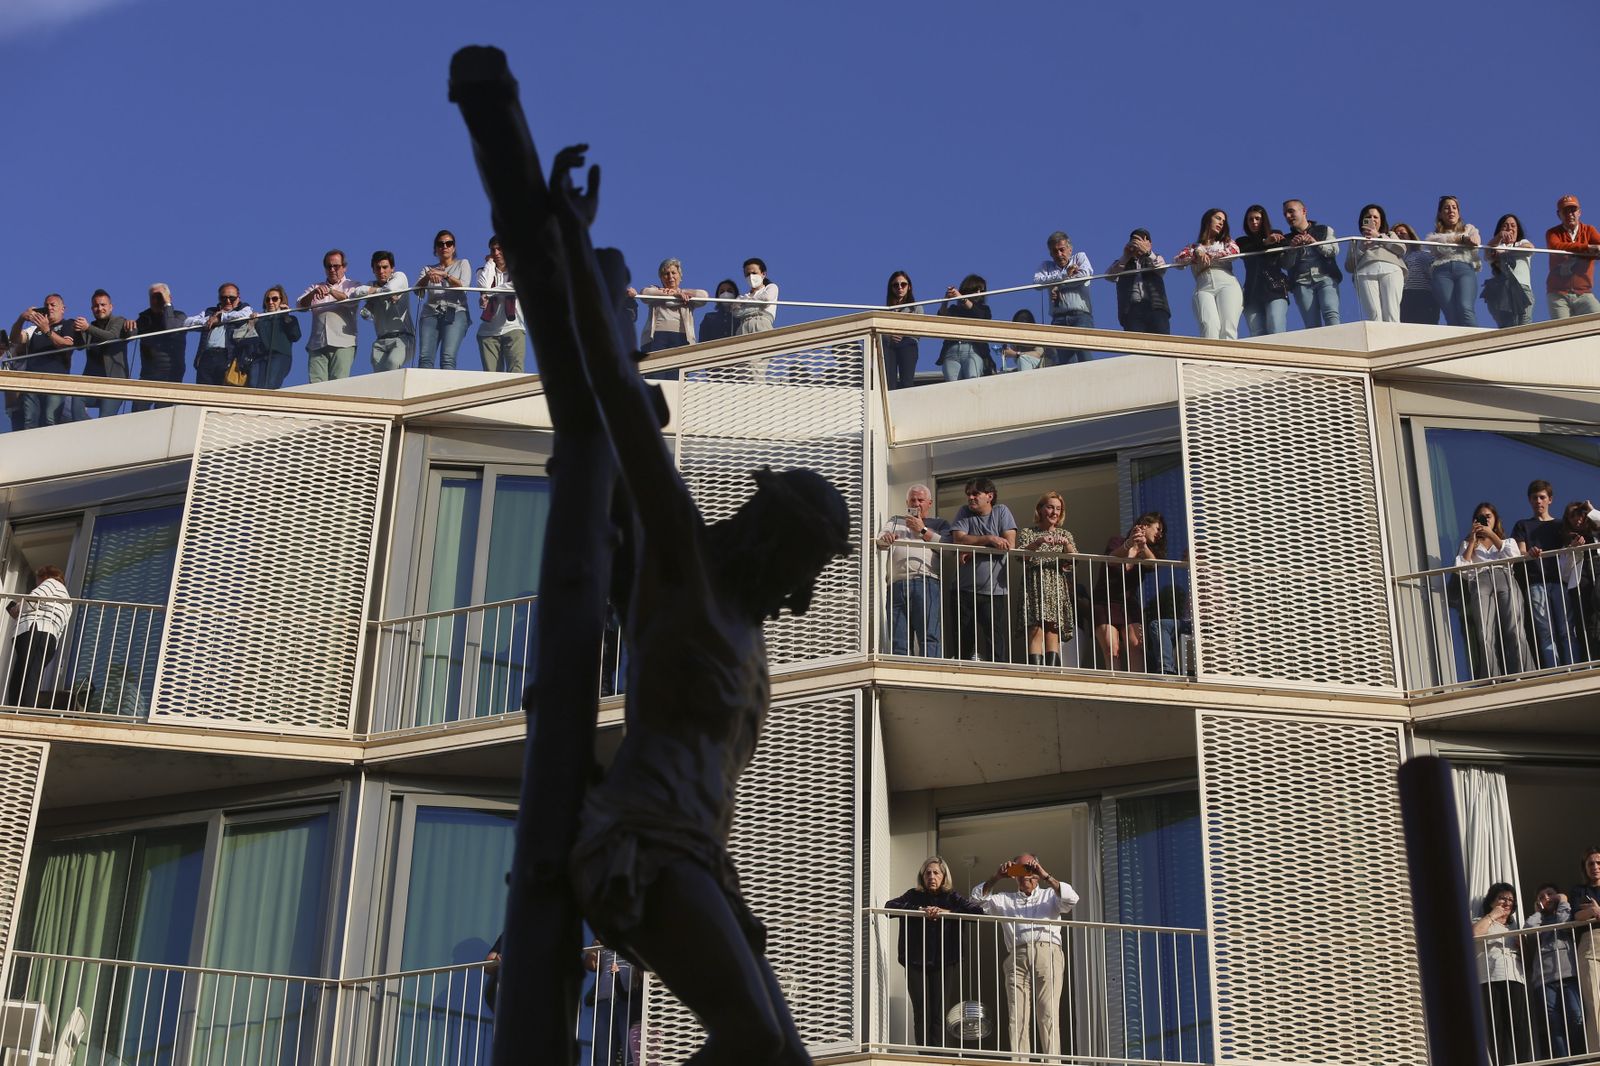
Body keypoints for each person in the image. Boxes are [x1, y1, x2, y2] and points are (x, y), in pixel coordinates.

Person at [970, 853, 1079, 1059]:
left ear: (1037, 872)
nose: (1025, 875)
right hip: (1017, 955)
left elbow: (1071, 899)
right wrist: (996, 877)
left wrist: (1045, 875)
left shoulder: (1050, 895)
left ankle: (1052, 1062)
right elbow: (975, 902)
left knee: (1048, 1011)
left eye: (1029, 869)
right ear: (1014, 875)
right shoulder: (1005, 899)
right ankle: (1020, 1062)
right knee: (1017, 1014)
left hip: (1047, 951)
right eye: (1020, 870)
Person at [884, 856, 984, 1049]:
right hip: (915, 959)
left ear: (944, 876)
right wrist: (921, 910)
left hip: (944, 959)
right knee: (920, 1010)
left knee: (939, 1011)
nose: (932, 876)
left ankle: (938, 1055)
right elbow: (889, 907)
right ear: (922, 877)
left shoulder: (952, 897)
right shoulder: (913, 895)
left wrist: (946, 912)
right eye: (928, 873)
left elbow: (977, 912)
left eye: (936, 873)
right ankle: (924, 1054)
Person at [1456, 501, 1532, 678]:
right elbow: (1462, 570)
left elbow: (1513, 556)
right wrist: (1472, 541)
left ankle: (1524, 673)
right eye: (1480, 517)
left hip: (1504, 577)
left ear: (1495, 519)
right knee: (1485, 634)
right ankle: (1492, 677)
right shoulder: (1468, 544)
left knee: (1515, 629)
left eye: (1488, 516)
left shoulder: (1507, 541)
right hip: (1480, 580)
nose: (1485, 520)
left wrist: (1491, 535)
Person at [877, 484, 949, 658]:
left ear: (929, 503)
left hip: (926, 582)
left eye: (920, 500)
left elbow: (948, 549)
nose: (916, 504)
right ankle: (901, 674)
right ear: (907, 502)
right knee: (898, 640)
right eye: (912, 500)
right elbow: (880, 541)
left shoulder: (939, 523)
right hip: (896, 585)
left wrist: (922, 529)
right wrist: (886, 538)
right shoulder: (895, 521)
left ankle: (931, 671)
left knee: (929, 636)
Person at [949, 477, 1016, 662]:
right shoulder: (964, 512)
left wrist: (973, 548)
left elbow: (1009, 544)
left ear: (989, 496)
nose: (970, 498)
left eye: (975, 494)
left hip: (993, 590)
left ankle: (998, 672)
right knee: (963, 639)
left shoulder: (1001, 511)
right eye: (968, 494)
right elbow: (958, 539)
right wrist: (990, 539)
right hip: (963, 588)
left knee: (994, 637)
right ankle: (963, 671)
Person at [1094, 513, 1165, 673]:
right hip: (1106, 601)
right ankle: (1114, 683)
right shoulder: (1117, 541)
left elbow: (1153, 565)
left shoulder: (1148, 552)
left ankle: (1138, 683)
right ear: (1145, 525)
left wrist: (1143, 546)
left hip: (1129, 603)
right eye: (1158, 529)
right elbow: (1111, 559)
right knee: (1112, 648)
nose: (1160, 534)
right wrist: (1129, 544)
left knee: (1136, 645)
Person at [1512, 481, 1572, 670]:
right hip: (1536, 582)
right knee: (1545, 631)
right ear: (1529, 500)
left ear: (1550, 500)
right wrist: (1529, 553)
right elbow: (1520, 552)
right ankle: (1555, 670)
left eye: (1542, 497)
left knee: (1565, 629)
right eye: (1534, 498)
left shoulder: (1560, 525)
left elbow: (1568, 548)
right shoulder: (1523, 525)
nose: (1538, 501)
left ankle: (1572, 668)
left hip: (1559, 581)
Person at [1473, 882, 1532, 1065]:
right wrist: (1493, 915)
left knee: (1519, 1027)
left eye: (1510, 900)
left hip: (1515, 978)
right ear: (1492, 901)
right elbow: (1474, 934)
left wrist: (1523, 946)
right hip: (1489, 979)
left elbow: (1528, 961)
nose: (1507, 903)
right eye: (1502, 898)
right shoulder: (1480, 920)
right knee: (1496, 1028)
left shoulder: (1515, 927)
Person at [1015, 491, 1076, 667]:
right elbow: (1021, 556)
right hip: (1034, 583)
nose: (1054, 512)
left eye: (1058, 509)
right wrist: (1039, 542)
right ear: (1040, 509)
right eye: (1050, 507)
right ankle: (1036, 672)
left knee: (1052, 629)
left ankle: (1052, 673)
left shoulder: (1065, 534)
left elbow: (1074, 560)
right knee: (1035, 629)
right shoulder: (1028, 532)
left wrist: (1066, 545)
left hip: (1055, 583)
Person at [1526, 882, 1586, 1059]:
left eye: (1550, 894)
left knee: (1576, 1017)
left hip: (1568, 975)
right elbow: (1528, 929)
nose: (1546, 898)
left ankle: (1580, 1057)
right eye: (1541, 897)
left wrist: (1563, 900)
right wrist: (1538, 911)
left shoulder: (1565, 913)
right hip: (1544, 980)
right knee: (1554, 1024)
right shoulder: (1539, 920)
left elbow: (1563, 922)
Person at [9, 295, 81, 429]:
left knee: (50, 419)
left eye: (53, 305)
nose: (49, 308)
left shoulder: (67, 324)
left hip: (55, 381)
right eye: (46, 305)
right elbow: (14, 339)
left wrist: (47, 330)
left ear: (63, 308)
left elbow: (67, 345)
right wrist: (21, 318)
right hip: (31, 381)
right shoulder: (35, 329)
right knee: (30, 420)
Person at [5, 565, 72, 708]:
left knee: (24, 675)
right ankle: (19, 708)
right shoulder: (67, 600)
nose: (37, 584)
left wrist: (16, 608)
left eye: (38, 580)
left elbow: (33, 601)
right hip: (49, 637)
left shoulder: (50, 583)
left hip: (35, 629)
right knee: (29, 674)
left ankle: (22, 710)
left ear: (44, 577)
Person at [1174, 208, 1243, 339]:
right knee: (1209, 325)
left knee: (1228, 326)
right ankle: (1210, 352)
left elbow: (1234, 252)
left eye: (1223, 221)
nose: (1221, 223)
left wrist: (1207, 254)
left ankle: (1228, 353)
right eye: (1218, 218)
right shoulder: (1193, 247)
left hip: (1227, 283)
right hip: (1203, 286)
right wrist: (1197, 253)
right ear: (1207, 220)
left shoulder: (1226, 242)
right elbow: (1178, 260)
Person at [297, 248, 361, 382]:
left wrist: (331, 291)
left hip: (343, 343)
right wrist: (313, 293)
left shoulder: (353, 284)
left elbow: (350, 301)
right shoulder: (316, 287)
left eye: (336, 266)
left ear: (344, 267)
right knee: (316, 386)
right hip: (317, 343)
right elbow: (300, 306)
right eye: (328, 266)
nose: (332, 269)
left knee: (338, 384)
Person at [348, 252, 414, 374]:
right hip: (380, 341)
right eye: (377, 268)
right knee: (379, 378)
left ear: (392, 268)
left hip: (402, 338)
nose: (381, 271)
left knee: (392, 364)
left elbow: (390, 289)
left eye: (385, 267)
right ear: (373, 270)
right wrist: (380, 292)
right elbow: (357, 292)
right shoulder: (371, 284)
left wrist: (374, 293)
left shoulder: (400, 276)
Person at [1033, 231, 1094, 364]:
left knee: (1085, 357)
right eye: (1055, 251)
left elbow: (1085, 275)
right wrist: (1064, 275)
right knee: (1066, 363)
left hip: (1080, 316)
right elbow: (1037, 282)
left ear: (1070, 249)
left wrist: (1058, 286)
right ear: (1051, 254)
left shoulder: (1079, 257)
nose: (1059, 254)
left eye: (1062, 250)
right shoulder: (1046, 266)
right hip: (1058, 319)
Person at [1279, 199, 1342, 327]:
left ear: (1304, 211)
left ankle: (1338, 339)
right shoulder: (1286, 239)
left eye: (1291, 211)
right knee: (1311, 324)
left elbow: (1334, 250)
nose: (1288, 216)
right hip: (1301, 283)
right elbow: (1285, 265)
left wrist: (1315, 243)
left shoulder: (1324, 230)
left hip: (1326, 277)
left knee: (1331, 313)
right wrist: (1292, 250)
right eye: (1285, 214)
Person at [416, 230, 473, 369]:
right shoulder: (428, 269)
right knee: (425, 359)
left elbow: (464, 286)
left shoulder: (463, 263)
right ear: (435, 248)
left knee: (448, 358)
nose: (445, 246)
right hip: (430, 313)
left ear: (454, 247)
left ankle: (447, 384)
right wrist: (428, 276)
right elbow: (418, 291)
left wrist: (445, 275)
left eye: (449, 243)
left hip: (456, 311)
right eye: (440, 244)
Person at [628, 257, 708, 355]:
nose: (670, 276)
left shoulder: (686, 295)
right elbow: (645, 293)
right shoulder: (657, 291)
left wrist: (680, 292)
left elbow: (704, 296)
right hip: (656, 336)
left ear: (680, 276)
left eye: (673, 273)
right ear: (661, 278)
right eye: (666, 274)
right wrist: (672, 294)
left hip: (682, 337)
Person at [1426, 196, 1483, 328]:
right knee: (1450, 313)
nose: (1451, 211)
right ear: (1440, 214)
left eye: (1454, 207)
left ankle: (1477, 339)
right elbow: (1438, 245)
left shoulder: (1469, 228)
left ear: (1458, 212)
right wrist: (1461, 239)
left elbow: (1476, 241)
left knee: (1465, 308)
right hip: (1441, 272)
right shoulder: (1433, 236)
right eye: (1446, 208)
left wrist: (1468, 238)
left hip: (1465, 269)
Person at [1344, 204, 1407, 324]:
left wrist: (1378, 237)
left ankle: (1394, 336)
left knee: (1392, 312)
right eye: (1368, 217)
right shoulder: (1356, 241)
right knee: (1374, 315)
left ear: (1381, 221)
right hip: (1365, 273)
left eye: (1375, 217)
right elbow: (1349, 266)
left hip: (1391, 269)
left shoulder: (1390, 235)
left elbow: (1401, 249)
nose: (1372, 219)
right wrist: (1362, 248)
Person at [184, 283, 256, 387]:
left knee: (225, 389)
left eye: (232, 298)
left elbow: (245, 315)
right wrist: (209, 320)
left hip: (228, 355)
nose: (228, 301)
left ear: (238, 298)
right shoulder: (210, 312)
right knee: (204, 391)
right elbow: (187, 322)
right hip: (206, 356)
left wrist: (221, 317)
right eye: (224, 298)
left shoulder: (243, 308)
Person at [75, 289, 133, 415]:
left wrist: (87, 328)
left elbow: (111, 337)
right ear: (92, 309)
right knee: (76, 399)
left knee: (104, 419)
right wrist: (78, 331)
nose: (100, 308)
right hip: (92, 383)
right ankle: (88, 426)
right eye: (96, 306)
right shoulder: (90, 327)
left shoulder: (119, 321)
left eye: (103, 305)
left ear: (111, 307)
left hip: (114, 384)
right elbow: (79, 346)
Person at [131, 283, 189, 407]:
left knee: (162, 412)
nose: (156, 300)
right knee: (138, 409)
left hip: (170, 373)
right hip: (148, 373)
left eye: (160, 296)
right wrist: (128, 326)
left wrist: (167, 304)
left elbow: (170, 327)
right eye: (153, 297)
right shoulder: (144, 318)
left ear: (169, 298)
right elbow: (129, 335)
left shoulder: (179, 316)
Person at [1236, 204, 1289, 337]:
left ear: (1264, 220)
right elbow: (1246, 249)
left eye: (1257, 218)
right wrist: (1266, 242)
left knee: (1276, 326)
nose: (1254, 222)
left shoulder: (1276, 234)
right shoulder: (1242, 241)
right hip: (1252, 291)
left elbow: (1285, 245)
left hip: (1275, 287)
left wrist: (1275, 241)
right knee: (1257, 333)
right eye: (1250, 219)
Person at [584, 938, 638, 1066]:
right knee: (604, 1054)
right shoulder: (605, 944)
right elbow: (590, 965)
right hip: (604, 1000)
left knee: (630, 1051)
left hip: (628, 1000)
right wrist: (595, 947)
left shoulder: (634, 940)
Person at [1107, 229, 1171, 335]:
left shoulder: (1155, 258)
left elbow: (1162, 268)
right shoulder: (1123, 263)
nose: (1137, 245)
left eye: (1140, 241)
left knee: (1161, 341)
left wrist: (1147, 253)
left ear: (1149, 243)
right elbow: (1109, 276)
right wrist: (1125, 256)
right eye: (1134, 241)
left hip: (1156, 307)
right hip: (1131, 310)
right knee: (1135, 343)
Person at [1545, 195, 1600, 320]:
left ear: (1579, 212)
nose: (1570, 214)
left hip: (1584, 293)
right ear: (1559, 215)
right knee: (1562, 329)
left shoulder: (1589, 230)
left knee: (1597, 321)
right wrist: (1587, 248)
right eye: (1565, 211)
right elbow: (1556, 247)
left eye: (1573, 210)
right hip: (1558, 294)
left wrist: (1593, 251)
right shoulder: (1552, 232)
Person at [1559, 501, 1600, 662]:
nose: (1577, 519)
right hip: (1581, 582)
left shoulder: (1597, 533)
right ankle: (1592, 659)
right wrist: (1573, 550)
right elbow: (1564, 574)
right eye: (1572, 516)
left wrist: (1591, 510)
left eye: (1580, 514)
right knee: (1585, 620)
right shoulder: (1567, 544)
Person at [1570, 848, 1600, 1052]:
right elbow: (1577, 916)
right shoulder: (1580, 891)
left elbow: (1588, 913)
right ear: (1585, 868)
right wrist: (1592, 911)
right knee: (1594, 1001)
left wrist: (1596, 911)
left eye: (1598, 862)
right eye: (1590, 863)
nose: (1595, 867)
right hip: (1590, 943)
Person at [1144, 549, 1192, 676]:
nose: (1182, 556)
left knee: (1159, 626)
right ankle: (1165, 667)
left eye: (1186, 553)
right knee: (1157, 640)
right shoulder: (1196, 577)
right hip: (1191, 624)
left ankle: (1167, 669)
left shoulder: (1206, 576)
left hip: (1200, 626)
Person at [1484, 214, 1537, 329]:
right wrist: (1499, 237)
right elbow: (1488, 253)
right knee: (1507, 327)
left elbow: (1530, 248)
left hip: (1522, 289)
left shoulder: (1521, 243)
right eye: (1505, 226)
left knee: (1524, 325)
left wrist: (1505, 252)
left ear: (1518, 230)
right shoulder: (1497, 246)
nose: (1509, 228)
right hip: (1501, 292)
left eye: (1513, 226)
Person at [936, 275, 993, 381]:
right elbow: (940, 319)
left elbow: (979, 315)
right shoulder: (954, 309)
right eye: (976, 289)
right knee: (953, 386)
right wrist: (946, 299)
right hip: (951, 352)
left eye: (981, 291)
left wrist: (961, 298)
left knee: (972, 381)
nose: (979, 293)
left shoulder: (984, 309)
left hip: (973, 351)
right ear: (968, 289)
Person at [252, 286, 301, 389]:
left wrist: (286, 316)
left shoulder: (289, 318)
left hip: (279, 356)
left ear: (281, 301)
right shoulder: (260, 320)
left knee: (271, 385)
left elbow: (295, 336)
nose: (270, 302)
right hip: (259, 357)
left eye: (274, 299)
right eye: (267, 299)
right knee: (253, 385)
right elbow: (251, 339)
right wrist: (252, 323)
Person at [1395, 223, 1443, 325]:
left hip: (1424, 295)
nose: (1398, 235)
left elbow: (1438, 272)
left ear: (1410, 236)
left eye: (1402, 233)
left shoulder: (1425, 254)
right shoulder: (1393, 258)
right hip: (1402, 297)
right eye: (1395, 234)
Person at [882, 271, 921, 388]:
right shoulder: (886, 311)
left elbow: (919, 329)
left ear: (909, 287)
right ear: (891, 288)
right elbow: (880, 332)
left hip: (908, 343)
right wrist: (890, 335)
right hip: (890, 346)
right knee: (889, 383)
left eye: (903, 284)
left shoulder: (916, 308)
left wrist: (903, 334)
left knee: (906, 382)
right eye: (896, 285)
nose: (900, 287)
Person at [731, 257, 778, 335]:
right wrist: (758, 305)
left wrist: (745, 303)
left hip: (762, 323)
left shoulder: (771, 287)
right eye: (747, 274)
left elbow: (766, 298)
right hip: (743, 328)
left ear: (763, 274)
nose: (751, 276)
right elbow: (736, 312)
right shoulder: (741, 297)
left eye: (754, 273)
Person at [698, 279, 739, 343]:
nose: (726, 294)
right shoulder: (709, 318)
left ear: (736, 295)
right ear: (718, 297)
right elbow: (702, 342)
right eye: (722, 292)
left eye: (729, 291)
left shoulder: (741, 317)